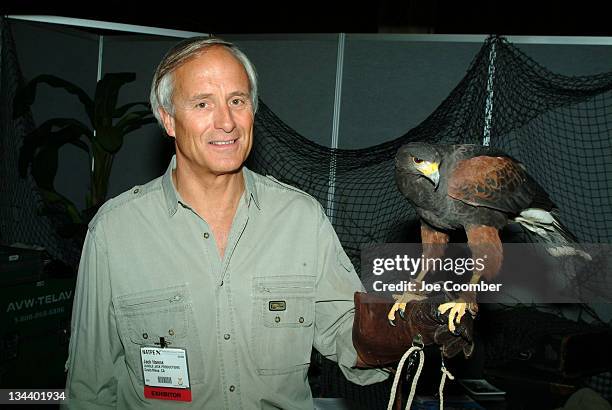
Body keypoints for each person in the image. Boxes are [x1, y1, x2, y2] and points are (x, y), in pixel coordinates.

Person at [62, 36, 390, 409]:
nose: (227, 122)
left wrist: (405, 327)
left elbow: (350, 337)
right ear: (168, 119)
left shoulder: (300, 218)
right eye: (203, 104)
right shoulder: (115, 233)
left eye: (237, 101)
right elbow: (89, 388)